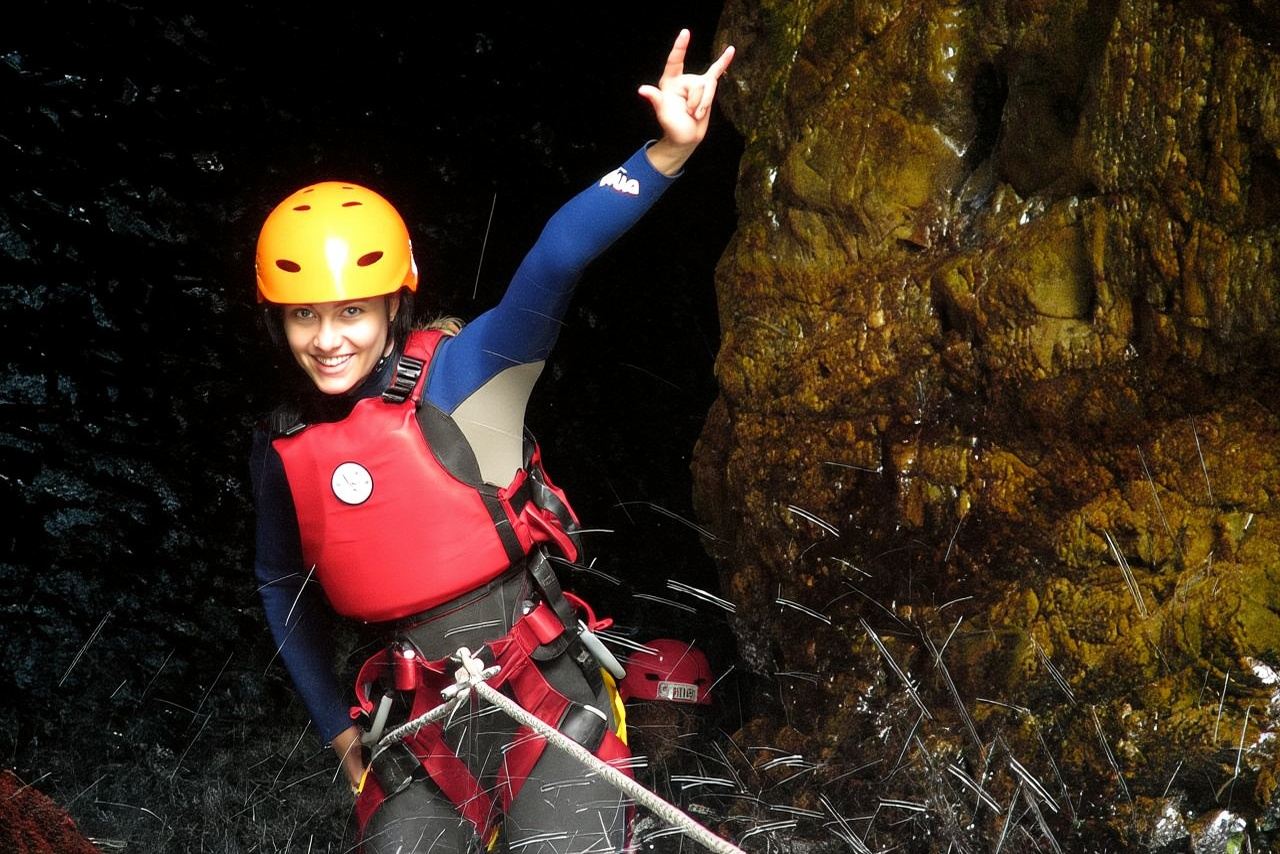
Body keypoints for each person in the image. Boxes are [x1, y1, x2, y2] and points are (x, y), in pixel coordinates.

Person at [249, 29, 734, 854]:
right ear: (278, 320)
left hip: (544, 699)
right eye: (305, 316)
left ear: (394, 306)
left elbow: (555, 258)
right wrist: (340, 735)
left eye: (351, 311)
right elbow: (277, 584)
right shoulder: (282, 447)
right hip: (419, 733)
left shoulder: (472, 372)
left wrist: (664, 154)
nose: (328, 339)